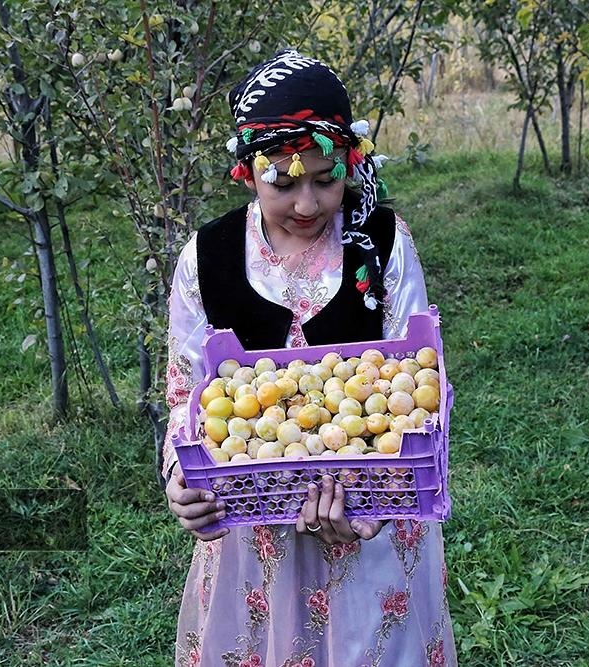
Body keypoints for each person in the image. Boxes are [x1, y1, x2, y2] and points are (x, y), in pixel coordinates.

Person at [161, 50, 455, 667]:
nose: (306, 204)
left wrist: (378, 503)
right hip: (253, 532)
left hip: (369, 528)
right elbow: (186, 395)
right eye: (283, 182)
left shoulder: (381, 244)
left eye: (325, 179)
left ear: (351, 163)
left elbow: (420, 383)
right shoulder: (208, 258)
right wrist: (181, 481)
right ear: (247, 171)